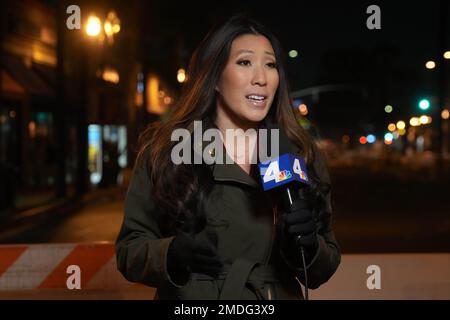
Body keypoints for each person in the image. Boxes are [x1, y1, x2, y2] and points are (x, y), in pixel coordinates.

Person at [115, 13, 341, 300]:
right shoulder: (167, 153)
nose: (261, 78)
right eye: (245, 62)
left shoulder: (299, 154)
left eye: (270, 65)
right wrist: (171, 254)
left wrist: (308, 248)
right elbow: (129, 251)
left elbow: (326, 263)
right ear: (215, 78)